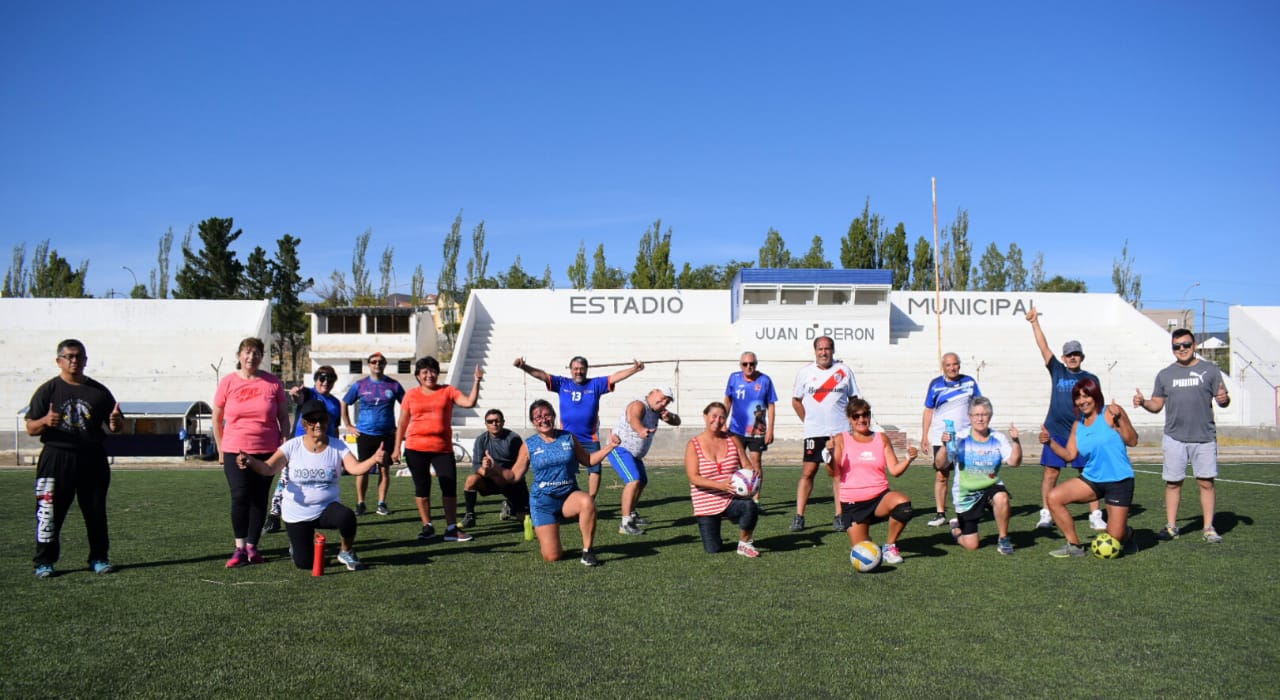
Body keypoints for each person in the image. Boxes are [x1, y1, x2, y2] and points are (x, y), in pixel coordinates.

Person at [236, 400, 385, 572]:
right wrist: (250, 460)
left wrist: (374, 459)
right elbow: (269, 468)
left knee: (347, 517)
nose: (318, 424)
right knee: (305, 564)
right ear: (304, 424)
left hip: (325, 508)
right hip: (297, 512)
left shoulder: (337, 446)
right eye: (312, 420)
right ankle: (297, 545)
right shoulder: (292, 446)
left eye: (322, 419)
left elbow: (355, 468)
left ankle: (346, 551)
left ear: (327, 421)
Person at [25, 339, 124, 578]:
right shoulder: (48, 390)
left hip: (92, 458)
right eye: (69, 356)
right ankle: (44, 562)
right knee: (49, 511)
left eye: (79, 356)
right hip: (56, 457)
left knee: (95, 511)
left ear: (86, 360)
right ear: (59, 361)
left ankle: (99, 558)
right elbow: (30, 427)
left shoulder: (98, 392)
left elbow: (117, 424)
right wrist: (45, 422)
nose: (74, 361)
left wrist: (115, 423)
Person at [1134, 328, 1231, 543]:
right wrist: (1143, 403)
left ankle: (1208, 528)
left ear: (1194, 345)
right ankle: (1171, 527)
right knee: (1173, 483)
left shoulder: (1210, 370)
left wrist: (1224, 400)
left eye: (1186, 345)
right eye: (1177, 346)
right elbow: (1157, 405)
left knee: (1206, 483)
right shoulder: (1165, 374)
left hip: (1204, 437)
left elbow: (1222, 399)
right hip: (1174, 437)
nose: (1182, 349)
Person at [513, 355, 645, 498]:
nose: (578, 372)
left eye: (582, 369)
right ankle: (565, 496)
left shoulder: (595, 384)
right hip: (565, 437)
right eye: (575, 369)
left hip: (589, 437)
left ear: (587, 370)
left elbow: (614, 377)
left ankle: (591, 498)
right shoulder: (562, 383)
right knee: (564, 467)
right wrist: (523, 366)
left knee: (595, 469)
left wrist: (634, 369)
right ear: (570, 370)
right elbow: (542, 375)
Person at [511, 399, 619, 566]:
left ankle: (587, 551)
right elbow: (514, 475)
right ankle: (549, 531)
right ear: (533, 422)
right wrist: (492, 471)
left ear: (554, 416)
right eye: (538, 417)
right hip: (543, 502)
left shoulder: (568, 438)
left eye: (547, 415)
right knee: (552, 556)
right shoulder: (529, 445)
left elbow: (589, 460)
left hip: (568, 496)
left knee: (587, 502)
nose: (543, 419)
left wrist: (610, 446)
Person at [1026, 308, 1106, 532]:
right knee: (1051, 473)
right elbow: (1043, 347)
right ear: (1063, 357)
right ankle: (1046, 513)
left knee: (1088, 473)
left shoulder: (1090, 378)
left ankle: (1095, 514)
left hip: (1081, 432)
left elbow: (1098, 406)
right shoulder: (1057, 370)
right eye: (1069, 354)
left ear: (1082, 357)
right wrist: (1034, 323)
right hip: (1055, 431)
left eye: (1076, 354)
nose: (1072, 357)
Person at [213, 337, 290, 568]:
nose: (251, 357)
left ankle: (252, 547)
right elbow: (217, 420)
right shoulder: (228, 382)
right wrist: (220, 448)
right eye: (247, 352)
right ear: (239, 355)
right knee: (240, 495)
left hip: (267, 451)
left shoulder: (273, 383)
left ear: (261, 356)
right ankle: (239, 548)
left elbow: (284, 417)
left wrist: (283, 443)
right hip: (235, 450)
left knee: (259, 499)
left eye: (256, 353)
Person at [1041, 378, 1138, 558]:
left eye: (1086, 396)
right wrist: (1050, 442)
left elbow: (1132, 440)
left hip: (1119, 480)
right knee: (1053, 497)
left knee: (1115, 535)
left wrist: (1121, 420)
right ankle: (1074, 545)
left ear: (1095, 395)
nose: (1082, 401)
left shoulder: (1111, 412)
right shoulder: (1078, 424)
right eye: (1078, 398)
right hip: (1092, 479)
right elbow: (1070, 455)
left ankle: (1128, 533)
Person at [392, 356, 483, 543]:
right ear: (417, 375)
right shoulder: (410, 395)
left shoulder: (447, 391)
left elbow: (469, 403)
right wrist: (396, 448)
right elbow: (402, 424)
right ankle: (427, 526)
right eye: (424, 372)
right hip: (415, 448)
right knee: (422, 487)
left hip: (442, 448)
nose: (429, 375)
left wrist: (477, 381)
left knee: (448, 487)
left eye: (432, 371)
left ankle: (451, 528)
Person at [829, 399, 919, 565]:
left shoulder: (881, 438)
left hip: (879, 498)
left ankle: (890, 546)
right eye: (856, 416)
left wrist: (908, 458)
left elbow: (895, 471)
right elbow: (833, 472)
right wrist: (828, 455)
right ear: (849, 418)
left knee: (904, 507)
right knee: (863, 552)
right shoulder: (841, 439)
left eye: (865, 415)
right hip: (853, 503)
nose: (861, 420)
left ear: (870, 416)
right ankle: (865, 535)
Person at [933, 396, 1021, 555]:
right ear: (970, 417)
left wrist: (1016, 441)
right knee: (972, 545)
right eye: (976, 415)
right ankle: (956, 530)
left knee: (1002, 496)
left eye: (984, 414)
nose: (980, 418)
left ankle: (1003, 539)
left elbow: (1014, 462)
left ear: (990, 416)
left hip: (990, 486)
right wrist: (945, 446)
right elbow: (940, 464)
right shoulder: (960, 437)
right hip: (967, 495)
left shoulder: (998, 438)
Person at [791, 335, 860, 532]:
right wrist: (808, 421)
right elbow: (796, 400)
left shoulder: (844, 371)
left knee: (838, 473)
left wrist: (852, 425)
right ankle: (799, 516)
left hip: (839, 433)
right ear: (815, 351)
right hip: (814, 433)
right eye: (820, 349)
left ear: (833, 350)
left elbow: (854, 399)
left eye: (827, 349)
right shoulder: (805, 372)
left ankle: (839, 515)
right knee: (808, 472)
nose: (824, 352)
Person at [264, 365, 342, 534]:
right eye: (322, 378)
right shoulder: (309, 393)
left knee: (316, 482)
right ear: (315, 380)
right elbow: (298, 397)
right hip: (299, 445)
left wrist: (337, 450)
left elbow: (335, 427)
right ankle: (274, 515)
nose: (325, 382)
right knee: (286, 478)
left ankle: (317, 514)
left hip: (323, 448)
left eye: (330, 379)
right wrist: (295, 394)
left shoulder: (336, 403)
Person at [685, 402, 761, 557]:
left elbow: (746, 464)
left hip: (730, 497)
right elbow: (693, 478)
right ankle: (717, 525)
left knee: (750, 506)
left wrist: (752, 478)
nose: (717, 420)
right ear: (705, 416)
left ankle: (745, 543)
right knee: (713, 549)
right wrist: (720, 486)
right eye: (714, 416)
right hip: (706, 502)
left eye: (722, 417)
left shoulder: (732, 438)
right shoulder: (693, 444)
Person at [607, 386, 681, 535]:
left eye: (667, 401)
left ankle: (632, 513)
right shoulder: (639, 404)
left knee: (642, 481)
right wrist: (641, 429)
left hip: (635, 454)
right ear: (654, 392)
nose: (664, 402)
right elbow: (633, 418)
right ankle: (625, 523)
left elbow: (677, 421)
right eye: (663, 397)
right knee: (633, 480)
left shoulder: (658, 410)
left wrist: (670, 417)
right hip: (620, 448)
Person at [920, 352, 983, 528]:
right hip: (943, 438)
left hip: (965, 436)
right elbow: (928, 410)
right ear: (943, 367)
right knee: (942, 474)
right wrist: (925, 435)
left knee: (965, 475)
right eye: (948, 365)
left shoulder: (970, 382)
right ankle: (940, 513)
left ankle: (965, 512)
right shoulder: (935, 384)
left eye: (955, 364)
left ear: (959, 365)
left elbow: (980, 405)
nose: (952, 368)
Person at [341, 351, 405, 517]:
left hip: (386, 434)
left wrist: (401, 428)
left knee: (384, 469)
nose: (377, 365)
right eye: (374, 362)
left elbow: (407, 406)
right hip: (365, 434)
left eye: (380, 362)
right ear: (369, 365)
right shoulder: (360, 385)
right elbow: (344, 402)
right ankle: (361, 503)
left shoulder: (394, 385)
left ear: (385, 365)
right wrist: (348, 425)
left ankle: (381, 503)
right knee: (363, 469)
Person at [460, 408, 529, 529]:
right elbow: (476, 466)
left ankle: (510, 506)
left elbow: (521, 465)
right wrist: (485, 470)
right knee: (471, 480)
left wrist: (503, 474)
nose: (494, 424)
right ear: (486, 424)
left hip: (510, 480)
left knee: (523, 519)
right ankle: (470, 516)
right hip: (490, 479)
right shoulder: (481, 440)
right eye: (490, 421)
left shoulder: (513, 439)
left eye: (497, 421)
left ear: (503, 422)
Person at [723, 351, 777, 505]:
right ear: (740, 365)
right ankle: (735, 497)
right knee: (734, 462)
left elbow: (771, 405)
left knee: (756, 462)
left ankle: (755, 498)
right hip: (735, 429)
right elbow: (728, 400)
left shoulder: (765, 380)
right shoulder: (734, 378)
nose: (749, 367)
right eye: (745, 364)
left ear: (756, 364)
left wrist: (771, 429)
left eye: (751, 364)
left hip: (757, 430)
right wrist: (723, 422)